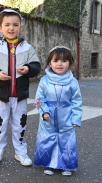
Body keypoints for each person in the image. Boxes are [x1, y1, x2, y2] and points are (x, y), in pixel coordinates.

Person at [0, 9, 41, 167]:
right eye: (7, 25)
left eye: (15, 25)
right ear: (0, 28)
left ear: (20, 27)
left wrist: (28, 68)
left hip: (19, 95)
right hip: (0, 95)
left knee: (20, 124)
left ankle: (20, 152)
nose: (11, 28)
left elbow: (36, 66)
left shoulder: (27, 47)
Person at [33, 46, 82, 176]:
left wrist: (76, 118)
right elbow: (40, 98)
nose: (59, 64)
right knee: (47, 139)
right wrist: (44, 112)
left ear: (70, 63)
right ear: (50, 63)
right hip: (48, 118)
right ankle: (48, 163)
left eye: (64, 61)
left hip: (66, 117)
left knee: (67, 140)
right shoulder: (44, 81)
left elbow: (77, 101)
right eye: (56, 61)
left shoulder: (73, 82)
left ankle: (67, 165)